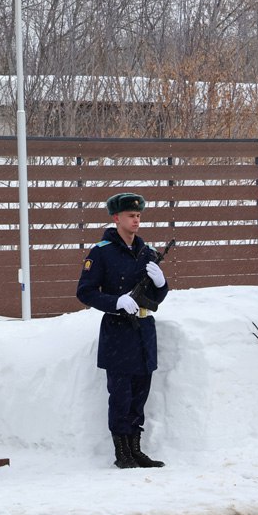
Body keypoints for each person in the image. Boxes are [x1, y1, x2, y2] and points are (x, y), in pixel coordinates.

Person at [75, 192, 170, 470]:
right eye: (131, 215)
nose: (136, 220)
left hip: (143, 331)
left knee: (140, 395)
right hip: (118, 331)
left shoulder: (147, 252)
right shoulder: (101, 252)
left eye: (139, 215)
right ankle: (122, 452)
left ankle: (136, 449)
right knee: (120, 396)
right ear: (116, 218)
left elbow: (156, 297)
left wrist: (162, 284)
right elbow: (85, 292)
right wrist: (116, 302)